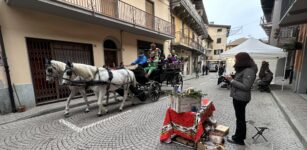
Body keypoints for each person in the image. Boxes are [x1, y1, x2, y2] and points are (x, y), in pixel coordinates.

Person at [224, 52, 258, 145]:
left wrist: (231, 80)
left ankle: (239, 139)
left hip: (241, 98)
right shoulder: (245, 69)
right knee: (239, 118)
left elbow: (246, 86)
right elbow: (241, 80)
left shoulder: (249, 70)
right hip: (238, 96)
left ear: (242, 60)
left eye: (236, 59)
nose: (235, 60)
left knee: (240, 119)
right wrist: (232, 78)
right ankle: (237, 136)